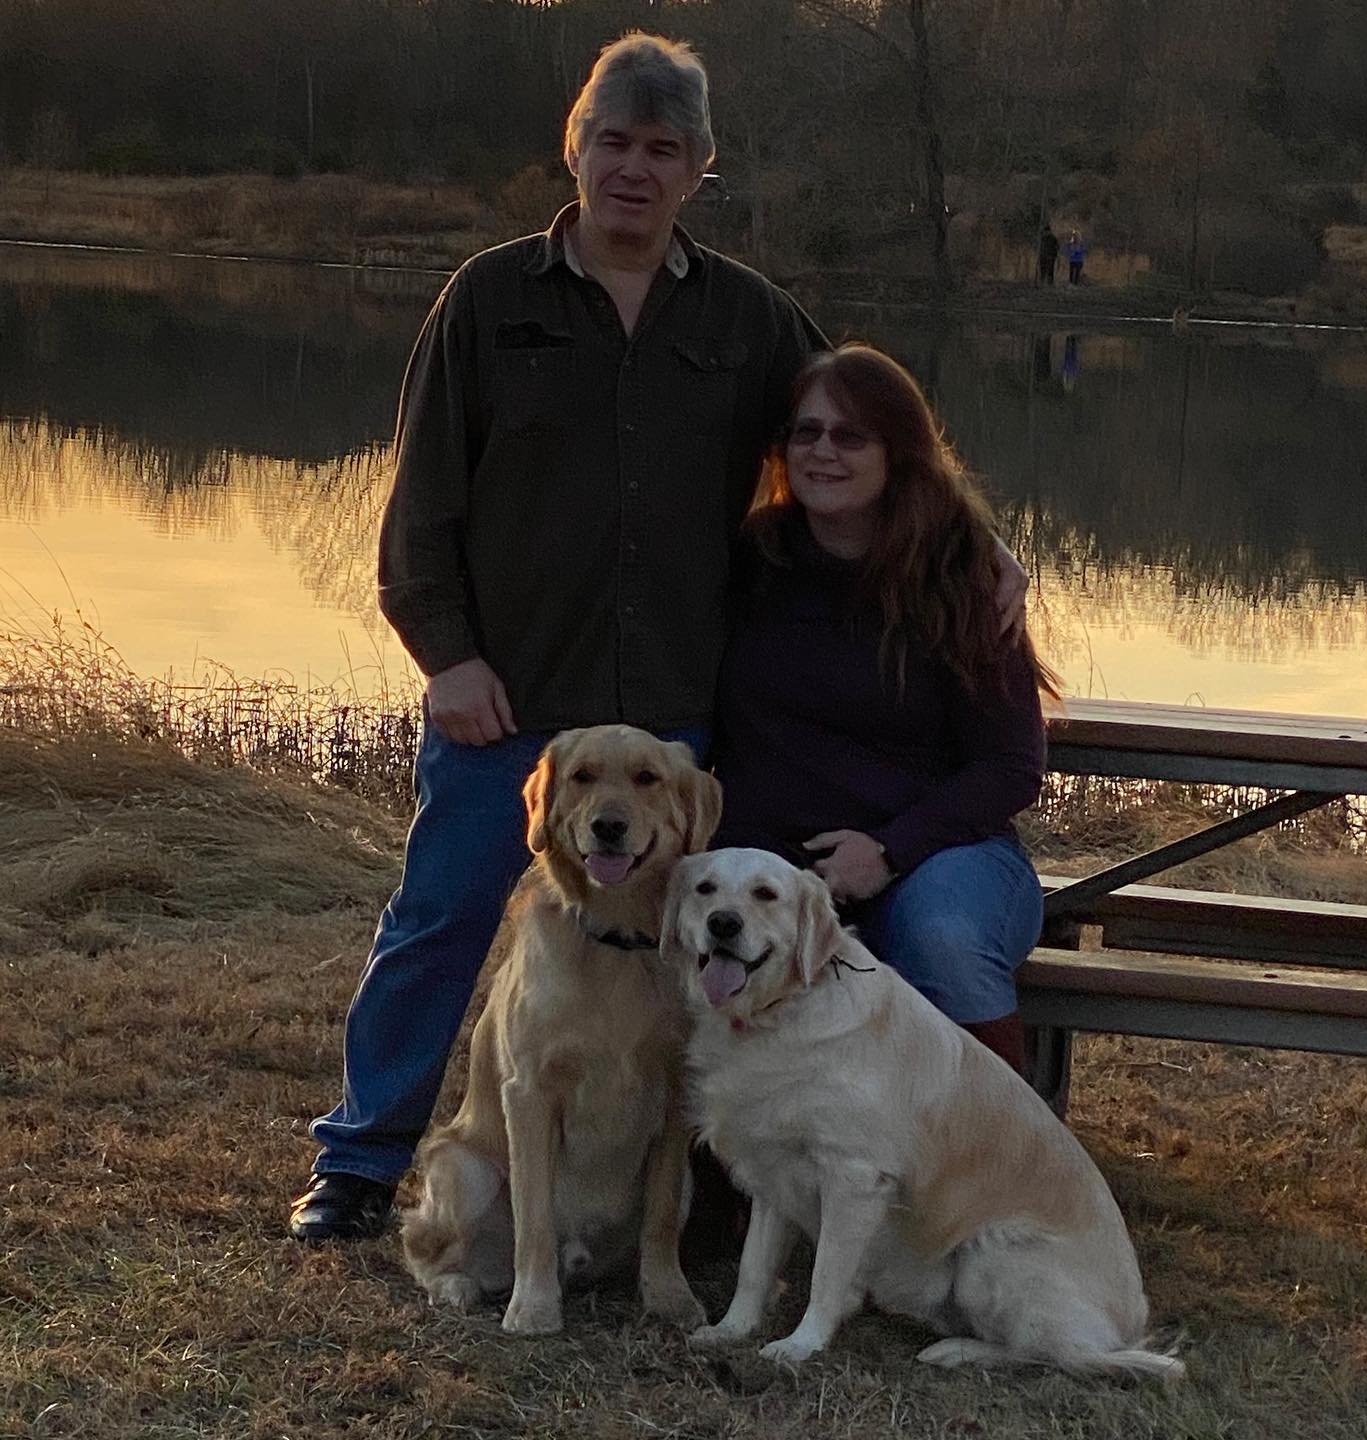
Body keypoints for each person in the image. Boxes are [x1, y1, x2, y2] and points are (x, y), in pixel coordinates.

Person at [288, 35, 1029, 1243]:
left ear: (699, 169)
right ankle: (362, 1161)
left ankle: (690, 1199)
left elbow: (860, 425)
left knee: (680, 964)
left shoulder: (747, 318)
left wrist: (975, 539)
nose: (636, 168)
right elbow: (419, 502)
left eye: (664, 149)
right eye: (615, 143)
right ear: (574, 150)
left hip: (671, 729)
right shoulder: (488, 302)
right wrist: (446, 657)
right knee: (441, 920)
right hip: (511, 707)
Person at [711, 343, 1060, 1075]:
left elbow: (1011, 765)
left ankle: (995, 1153)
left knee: (941, 938)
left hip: (941, 857)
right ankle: (731, 1177)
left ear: (898, 454)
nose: (823, 452)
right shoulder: (746, 566)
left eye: (851, 436)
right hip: (778, 859)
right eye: (805, 433)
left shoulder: (959, 578)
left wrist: (889, 852)